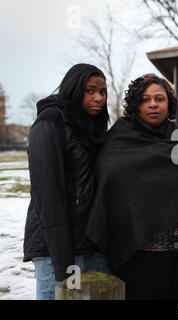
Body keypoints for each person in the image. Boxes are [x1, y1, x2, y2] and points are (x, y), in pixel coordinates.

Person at [86, 73, 178, 300]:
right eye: (145, 99)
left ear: (168, 103)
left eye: (159, 99)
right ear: (135, 104)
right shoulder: (119, 140)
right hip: (144, 251)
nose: (152, 104)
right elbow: (110, 187)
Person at [23, 63, 112, 300]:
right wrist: (62, 261)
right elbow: (47, 193)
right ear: (73, 89)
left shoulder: (94, 128)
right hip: (56, 247)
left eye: (102, 92)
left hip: (89, 243)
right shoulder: (50, 122)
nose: (98, 98)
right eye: (90, 90)